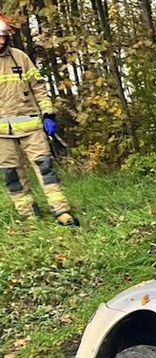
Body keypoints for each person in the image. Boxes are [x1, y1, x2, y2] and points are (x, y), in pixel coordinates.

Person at [0, 15, 78, 226]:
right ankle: (28, 214)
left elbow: (39, 88)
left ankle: (61, 212)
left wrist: (48, 113)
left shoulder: (20, 58)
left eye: (3, 36)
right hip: (1, 135)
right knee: (12, 175)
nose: (0, 41)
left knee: (46, 168)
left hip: (31, 127)